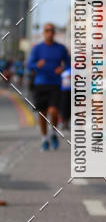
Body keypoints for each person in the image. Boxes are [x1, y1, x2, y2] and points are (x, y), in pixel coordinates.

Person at [27, 23, 69, 151]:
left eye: (51, 30)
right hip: (40, 84)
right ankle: (45, 139)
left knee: (54, 112)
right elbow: (29, 65)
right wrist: (37, 65)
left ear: (54, 33)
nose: (49, 32)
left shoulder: (61, 48)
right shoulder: (38, 48)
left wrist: (62, 68)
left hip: (55, 84)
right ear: (44, 33)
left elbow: (69, 63)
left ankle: (54, 134)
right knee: (43, 114)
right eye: (47, 30)